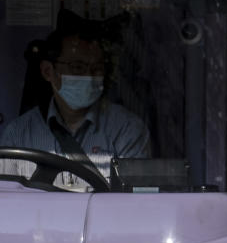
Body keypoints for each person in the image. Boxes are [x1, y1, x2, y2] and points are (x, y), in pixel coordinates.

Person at [0, 12, 151, 189]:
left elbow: (135, 204)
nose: (88, 76)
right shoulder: (18, 135)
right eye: (77, 67)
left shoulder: (127, 130)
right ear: (48, 71)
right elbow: (7, 203)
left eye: (96, 68)